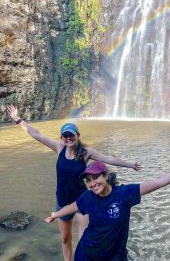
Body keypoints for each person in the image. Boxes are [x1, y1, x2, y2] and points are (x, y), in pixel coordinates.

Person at [7, 105, 141, 261]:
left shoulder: (86, 152)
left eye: (71, 135)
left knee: (84, 239)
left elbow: (108, 159)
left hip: (82, 201)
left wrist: (130, 164)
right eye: (65, 136)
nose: (68, 138)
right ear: (62, 138)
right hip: (62, 201)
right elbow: (36, 134)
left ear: (77, 135)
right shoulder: (59, 147)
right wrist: (18, 119)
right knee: (65, 239)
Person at [45, 160, 170, 261]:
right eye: (88, 180)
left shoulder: (124, 194)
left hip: (115, 256)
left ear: (106, 176)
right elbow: (71, 207)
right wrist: (55, 214)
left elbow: (160, 182)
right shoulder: (87, 197)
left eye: (96, 177)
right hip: (87, 255)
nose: (92, 183)